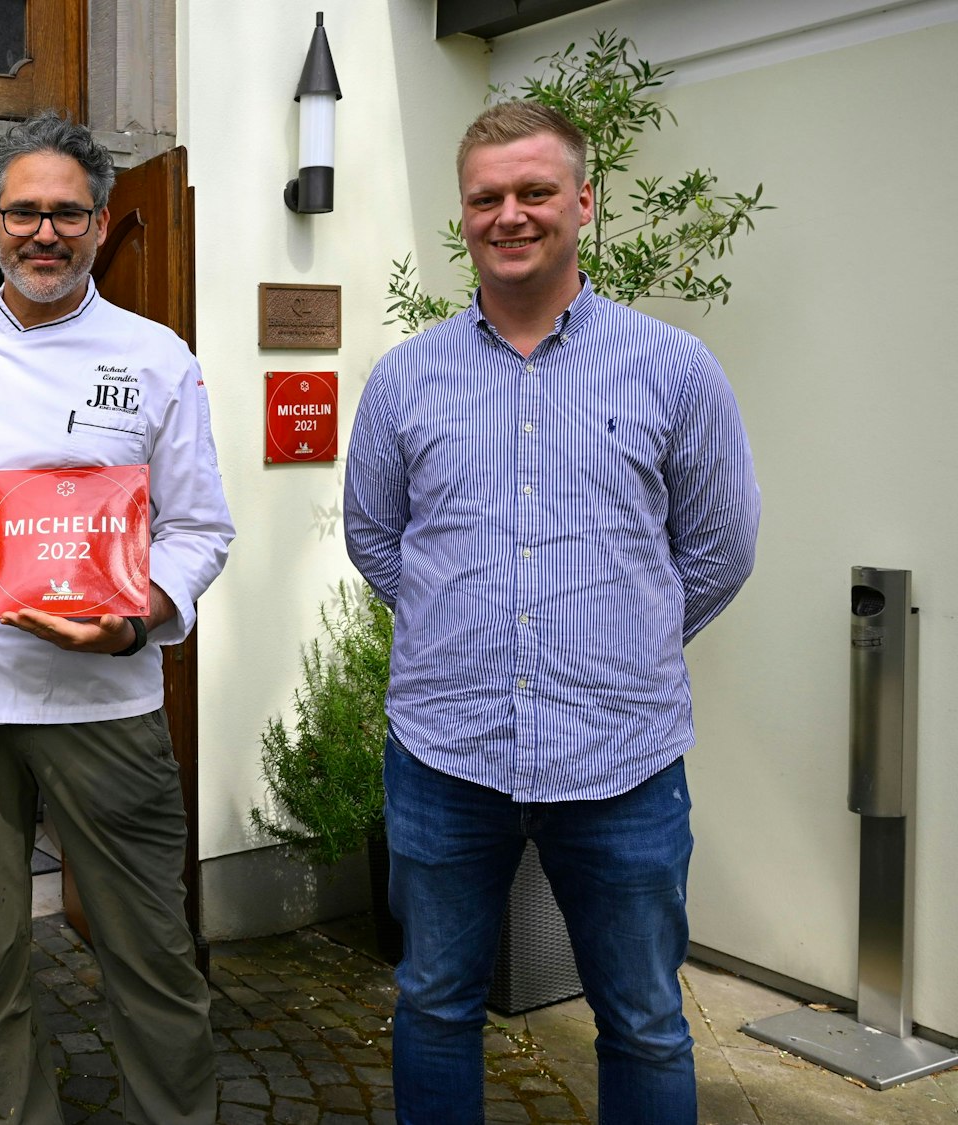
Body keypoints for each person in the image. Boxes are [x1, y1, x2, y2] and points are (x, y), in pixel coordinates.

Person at [343, 101, 762, 1125]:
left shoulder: (672, 369)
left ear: (581, 201)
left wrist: (619, 637)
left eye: (533, 191)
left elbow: (718, 548)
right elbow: (375, 539)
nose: (509, 214)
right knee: (435, 1005)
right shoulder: (404, 380)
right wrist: (464, 625)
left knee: (644, 1021)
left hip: (618, 757)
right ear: (462, 216)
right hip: (447, 753)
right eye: (485, 197)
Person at [0, 111, 235, 1125]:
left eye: (65, 214)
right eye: (22, 212)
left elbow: (199, 527)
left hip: (104, 706)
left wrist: (137, 615)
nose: (43, 233)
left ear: (102, 223)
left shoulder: (154, 356)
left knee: (150, 955)